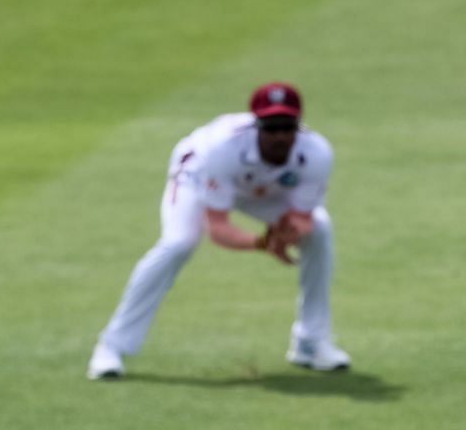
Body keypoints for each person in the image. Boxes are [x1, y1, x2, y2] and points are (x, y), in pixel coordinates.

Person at [86, 82, 347, 379]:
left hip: (262, 186)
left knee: (320, 230)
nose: (280, 136)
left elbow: (302, 217)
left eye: (287, 127)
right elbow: (218, 229)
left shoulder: (316, 153)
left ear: (298, 126)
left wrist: (291, 232)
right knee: (178, 243)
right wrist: (264, 242)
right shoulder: (220, 149)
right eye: (271, 127)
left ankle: (311, 342)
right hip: (198, 176)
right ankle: (111, 346)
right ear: (256, 125)